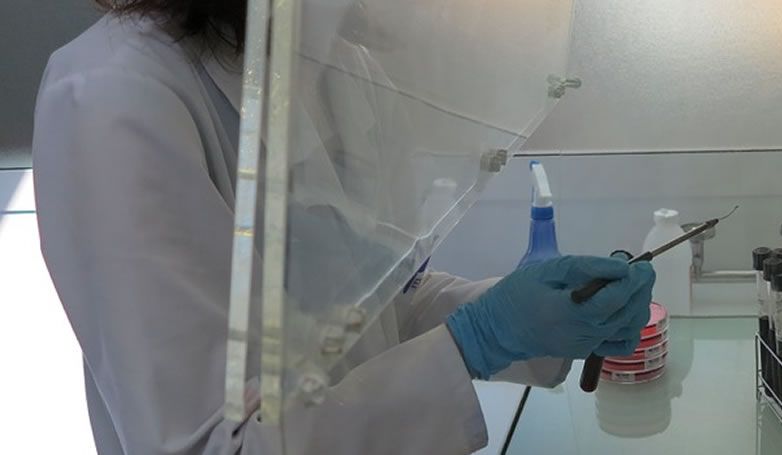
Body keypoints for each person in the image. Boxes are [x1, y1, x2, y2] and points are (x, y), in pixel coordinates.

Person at [31, 1, 655, 454]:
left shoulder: (338, 65)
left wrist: (529, 318)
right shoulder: (115, 98)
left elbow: (381, 304)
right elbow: (215, 445)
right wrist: (477, 340)